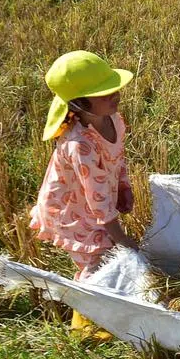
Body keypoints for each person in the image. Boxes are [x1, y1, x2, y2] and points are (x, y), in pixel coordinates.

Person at [30, 51, 137, 332]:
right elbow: (96, 198)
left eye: (114, 87)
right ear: (79, 104)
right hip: (72, 209)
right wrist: (121, 237)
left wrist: (123, 185)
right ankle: (85, 325)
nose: (114, 94)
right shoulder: (80, 145)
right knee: (96, 259)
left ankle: (105, 309)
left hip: (94, 201)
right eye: (104, 93)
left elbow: (118, 157)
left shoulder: (115, 121)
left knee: (108, 250)